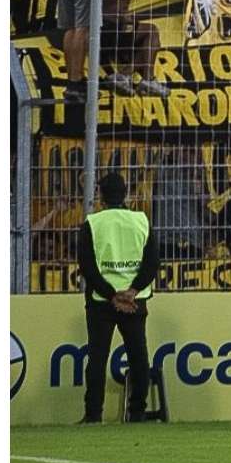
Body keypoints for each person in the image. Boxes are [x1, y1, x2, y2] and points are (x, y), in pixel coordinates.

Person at [78, 172, 159, 423]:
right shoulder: (141, 221)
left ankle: (93, 415)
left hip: (103, 301)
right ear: (126, 194)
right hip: (135, 300)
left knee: (98, 357)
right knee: (138, 356)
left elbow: (87, 267)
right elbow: (152, 262)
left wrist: (112, 295)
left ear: (100, 195)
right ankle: (137, 413)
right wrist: (133, 291)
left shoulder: (93, 223)